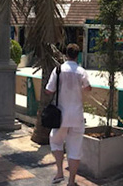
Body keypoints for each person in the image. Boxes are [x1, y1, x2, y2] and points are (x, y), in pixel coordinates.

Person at [44, 43, 91, 185]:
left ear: (66, 54)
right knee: (75, 149)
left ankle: (59, 172)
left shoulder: (58, 70)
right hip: (77, 116)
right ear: (77, 55)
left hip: (60, 116)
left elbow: (49, 90)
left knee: (55, 141)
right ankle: (71, 181)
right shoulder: (81, 71)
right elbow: (88, 88)